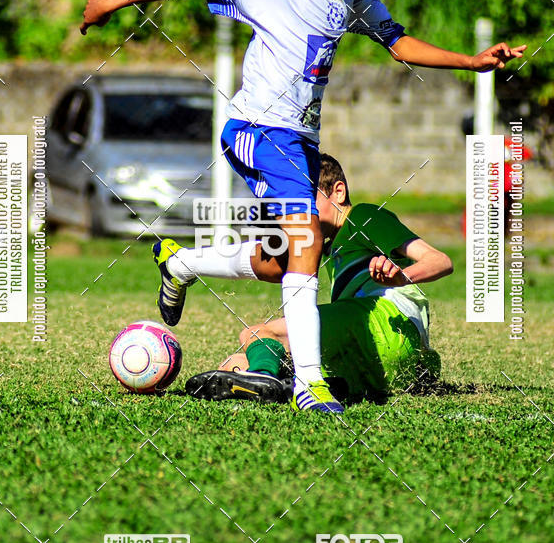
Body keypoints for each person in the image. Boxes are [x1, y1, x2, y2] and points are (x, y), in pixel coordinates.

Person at [81, 0, 524, 414]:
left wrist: (470, 61)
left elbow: (397, 42)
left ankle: (182, 264)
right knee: (307, 240)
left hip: (302, 142)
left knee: (278, 263)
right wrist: (111, 1)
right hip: (258, 129)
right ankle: (309, 386)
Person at [185, 154, 453, 408]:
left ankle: (265, 377)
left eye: (305, 200)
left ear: (338, 192)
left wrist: (402, 276)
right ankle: (281, 383)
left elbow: (441, 261)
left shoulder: (364, 216)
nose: (299, 212)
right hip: (393, 363)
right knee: (236, 364)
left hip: (384, 322)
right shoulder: (328, 247)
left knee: (256, 334)